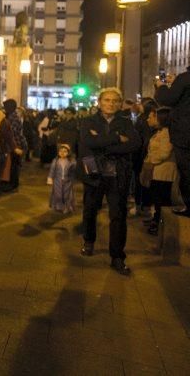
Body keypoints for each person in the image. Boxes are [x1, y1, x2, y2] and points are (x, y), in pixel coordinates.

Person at [78, 87, 140, 275]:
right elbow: (88, 142)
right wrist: (115, 138)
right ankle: (89, 241)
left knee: (118, 216)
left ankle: (117, 256)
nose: (110, 104)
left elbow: (135, 144)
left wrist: (104, 146)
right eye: (107, 100)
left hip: (117, 175)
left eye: (115, 101)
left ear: (120, 104)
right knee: (90, 210)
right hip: (94, 173)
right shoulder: (88, 121)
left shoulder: (126, 123)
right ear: (99, 102)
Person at [154, 67, 190, 216]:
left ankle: (189, 206)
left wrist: (161, 87)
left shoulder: (185, 78)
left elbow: (166, 99)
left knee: (187, 171)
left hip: (185, 134)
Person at [142, 107, 176, 235]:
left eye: (152, 116)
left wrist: (151, 161)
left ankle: (159, 225)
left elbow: (164, 153)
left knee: (162, 200)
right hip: (157, 171)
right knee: (157, 199)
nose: (148, 119)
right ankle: (157, 222)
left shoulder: (167, 133)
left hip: (164, 172)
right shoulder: (160, 132)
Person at [2, 99, 27, 192]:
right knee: (14, 165)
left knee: (14, 165)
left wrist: (14, 146)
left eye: (5, 106)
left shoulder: (13, 118)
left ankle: (13, 184)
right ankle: (13, 184)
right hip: (15, 144)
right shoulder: (12, 116)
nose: (4, 108)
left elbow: (13, 133)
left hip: (16, 144)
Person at [47, 144, 77, 213]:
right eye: (60, 151)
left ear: (68, 152)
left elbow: (74, 171)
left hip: (68, 181)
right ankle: (59, 206)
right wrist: (50, 177)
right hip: (57, 180)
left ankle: (67, 207)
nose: (62, 153)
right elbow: (52, 170)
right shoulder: (56, 161)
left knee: (67, 195)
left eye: (65, 151)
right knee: (58, 194)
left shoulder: (71, 161)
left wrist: (73, 179)